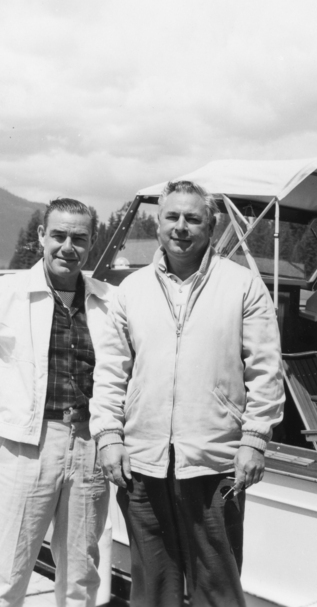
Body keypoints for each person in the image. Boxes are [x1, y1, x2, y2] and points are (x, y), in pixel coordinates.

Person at [90, 180, 284, 607]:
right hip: (142, 463)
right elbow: (110, 374)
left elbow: (267, 371)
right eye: (172, 217)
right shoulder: (131, 291)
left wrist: (254, 440)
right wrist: (108, 436)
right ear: (158, 224)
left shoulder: (243, 287)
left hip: (215, 462)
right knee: (153, 590)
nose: (181, 227)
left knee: (218, 591)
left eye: (193, 219)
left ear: (210, 227)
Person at [0, 198, 113, 607]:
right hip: (26, 448)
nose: (68, 247)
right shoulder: (5, 293)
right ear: (42, 237)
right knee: (2, 577)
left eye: (79, 239)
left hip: (89, 446)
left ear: (92, 243)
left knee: (82, 578)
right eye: (59, 236)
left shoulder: (109, 301)